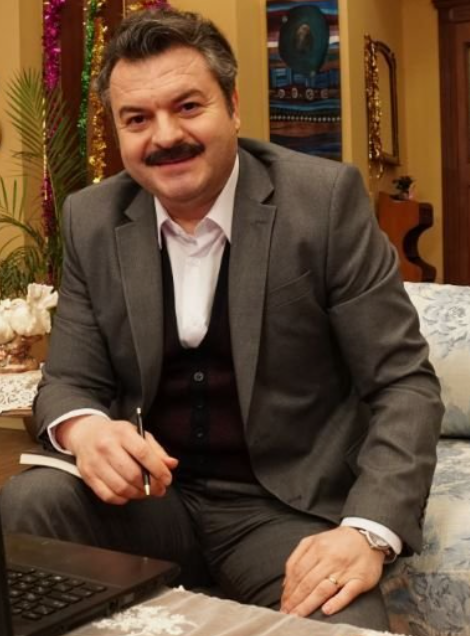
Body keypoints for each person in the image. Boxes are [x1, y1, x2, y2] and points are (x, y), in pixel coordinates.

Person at [0, 7, 443, 631]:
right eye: (137, 119)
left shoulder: (323, 202)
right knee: (29, 504)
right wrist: (85, 430)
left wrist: (367, 532)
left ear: (233, 107)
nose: (165, 136)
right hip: (150, 504)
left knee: (342, 619)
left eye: (188, 106)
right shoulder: (91, 218)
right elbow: (69, 380)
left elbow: (403, 383)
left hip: (281, 512)